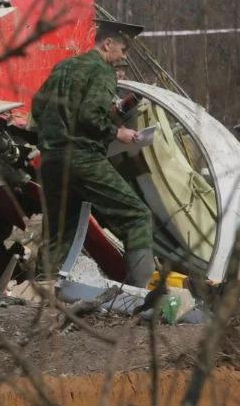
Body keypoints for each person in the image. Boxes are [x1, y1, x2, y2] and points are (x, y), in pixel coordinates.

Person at [32, 19, 154, 286]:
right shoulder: (101, 71)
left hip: (51, 160)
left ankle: (43, 292)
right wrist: (117, 132)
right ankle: (139, 296)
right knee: (137, 216)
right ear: (107, 43)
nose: (124, 56)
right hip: (82, 157)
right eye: (123, 49)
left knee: (59, 230)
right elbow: (89, 115)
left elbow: (37, 108)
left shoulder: (63, 66)